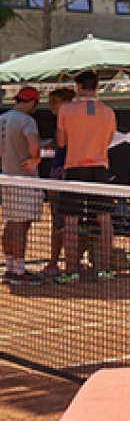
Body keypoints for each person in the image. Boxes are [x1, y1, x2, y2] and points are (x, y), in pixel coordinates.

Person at [55, 71, 117, 283]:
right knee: (104, 218)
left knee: (71, 220)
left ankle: (71, 272)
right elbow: (107, 141)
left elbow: (61, 143)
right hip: (100, 168)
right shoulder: (108, 112)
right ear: (97, 87)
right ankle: (105, 270)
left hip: (75, 169)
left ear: (79, 87)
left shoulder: (66, 110)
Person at [0, 86, 44, 286]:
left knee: (11, 222)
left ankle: (11, 267)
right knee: (21, 225)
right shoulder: (27, 120)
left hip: (7, 177)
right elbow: (33, 143)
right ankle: (18, 271)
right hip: (24, 180)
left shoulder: (3, 118)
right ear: (33, 102)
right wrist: (35, 159)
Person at [42, 86, 76, 279]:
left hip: (63, 175)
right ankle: (56, 263)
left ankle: (56, 263)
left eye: (55, 102)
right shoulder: (65, 123)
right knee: (59, 220)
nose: (51, 107)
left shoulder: (68, 122)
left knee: (59, 221)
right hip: (64, 173)